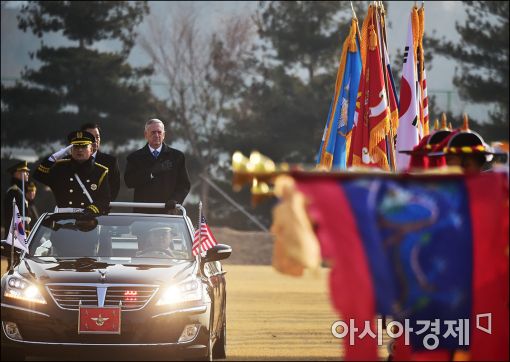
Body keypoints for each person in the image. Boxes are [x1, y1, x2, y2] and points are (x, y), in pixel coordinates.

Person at [33, 130, 111, 214]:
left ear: (91, 150)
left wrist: (90, 211)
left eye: (84, 146)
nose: (80, 150)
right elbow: (39, 175)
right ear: (71, 150)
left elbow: (104, 199)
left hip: (88, 219)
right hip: (62, 220)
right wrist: (52, 159)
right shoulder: (60, 167)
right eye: (76, 147)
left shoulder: (100, 171)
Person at [124, 119, 190, 213]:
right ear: (145, 134)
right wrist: (151, 172)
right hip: (142, 214)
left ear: (164, 135)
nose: (156, 135)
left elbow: (184, 185)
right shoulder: (134, 157)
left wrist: (175, 200)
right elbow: (129, 182)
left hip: (167, 213)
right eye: (153, 132)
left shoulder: (177, 157)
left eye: (159, 132)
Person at [80, 122, 121, 201]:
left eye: (97, 137)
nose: (95, 140)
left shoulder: (110, 162)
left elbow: (114, 188)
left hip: (100, 210)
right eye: (91, 137)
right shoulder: (72, 160)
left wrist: (101, 206)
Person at [3, 160, 30, 237]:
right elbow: (13, 218)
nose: (28, 173)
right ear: (17, 174)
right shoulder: (13, 192)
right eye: (25, 171)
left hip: (22, 235)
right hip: (15, 237)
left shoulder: (19, 191)